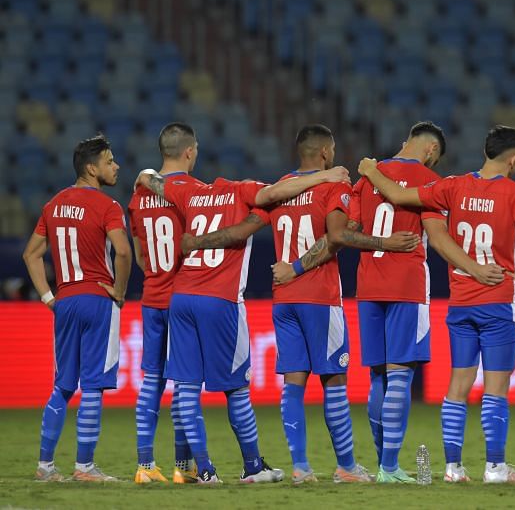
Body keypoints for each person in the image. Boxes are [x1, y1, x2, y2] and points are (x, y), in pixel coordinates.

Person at [183, 124, 419, 484]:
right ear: (325, 153)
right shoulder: (333, 185)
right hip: (319, 297)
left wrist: (195, 242)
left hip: (284, 301)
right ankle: (345, 467)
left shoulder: (278, 190)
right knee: (334, 380)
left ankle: (300, 467)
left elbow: (241, 231)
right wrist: (299, 268)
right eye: (335, 149)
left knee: (293, 382)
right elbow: (336, 238)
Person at [276, 121, 505, 482]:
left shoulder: (367, 177)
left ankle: (382, 462)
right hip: (407, 286)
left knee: (377, 377)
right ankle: (390, 467)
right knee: (400, 376)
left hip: (367, 286)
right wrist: (475, 269)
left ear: (405, 142)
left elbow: (345, 234)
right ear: (430, 150)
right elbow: (437, 236)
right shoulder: (429, 183)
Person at [134, 159, 349, 483]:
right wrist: (326, 176)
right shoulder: (243, 192)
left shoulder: (191, 192)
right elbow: (263, 206)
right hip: (221, 300)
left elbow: (153, 181)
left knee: (187, 389)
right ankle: (252, 466)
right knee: (236, 389)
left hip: (182, 296)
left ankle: (200, 470)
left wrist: (144, 176)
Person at [358, 125, 515, 484]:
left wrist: (370, 171)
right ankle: (494, 468)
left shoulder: (452, 185)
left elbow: (399, 198)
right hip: (497, 299)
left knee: (457, 384)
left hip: (460, 302)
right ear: (514, 159)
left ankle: (452, 468)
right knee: (495, 387)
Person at [23, 134, 132, 482]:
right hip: (98, 299)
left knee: (63, 385)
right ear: (91, 168)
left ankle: (44, 466)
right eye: (110, 161)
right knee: (94, 385)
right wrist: (119, 291)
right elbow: (124, 252)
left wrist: (47, 297)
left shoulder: (53, 205)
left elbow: (31, 254)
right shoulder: (108, 206)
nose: (116, 166)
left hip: (66, 302)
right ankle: (84, 468)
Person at [127, 123, 204, 483]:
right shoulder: (194, 192)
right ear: (189, 151)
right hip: (183, 298)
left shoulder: (139, 195)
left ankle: (144, 466)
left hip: (151, 296)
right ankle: (183, 466)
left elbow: (140, 252)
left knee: (152, 380)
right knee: (185, 382)